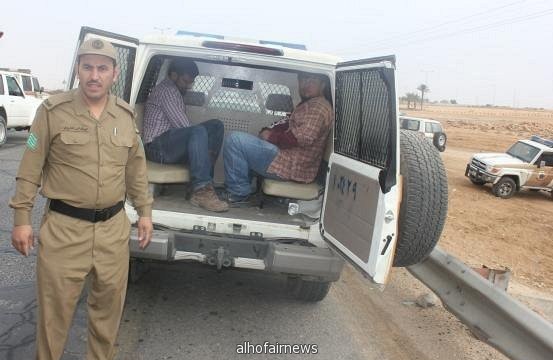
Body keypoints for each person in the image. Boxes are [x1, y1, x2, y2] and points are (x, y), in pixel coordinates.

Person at [9, 38, 153, 360]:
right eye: (87, 66)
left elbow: (136, 169)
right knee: (53, 319)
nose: (94, 75)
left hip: (112, 231)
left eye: (102, 68)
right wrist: (21, 219)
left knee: (107, 317)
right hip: (64, 230)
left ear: (115, 73)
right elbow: (30, 168)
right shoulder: (52, 112)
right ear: (78, 70)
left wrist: (144, 212)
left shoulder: (125, 117)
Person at [222, 72, 333, 205]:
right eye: (303, 79)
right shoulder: (309, 104)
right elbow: (288, 125)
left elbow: (303, 138)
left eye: (312, 80)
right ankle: (245, 188)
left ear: (323, 85)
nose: (306, 84)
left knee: (235, 141)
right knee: (245, 144)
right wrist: (269, 131)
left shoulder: (318, 107)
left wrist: (270, 136)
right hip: (291, 159)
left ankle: (238, 193)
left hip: (293, 165)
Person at [142, 59, 228, 212]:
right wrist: (199, 141)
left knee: (216, 126)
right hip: (157, 148)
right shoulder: (167, 91)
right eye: (185, 81)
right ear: (174, 75)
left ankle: (205, 185)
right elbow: (184, 127)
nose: (188, 86)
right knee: (197, 131)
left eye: (191, 82)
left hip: (168, 145)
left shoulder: (174, 90)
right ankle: (201, 189)